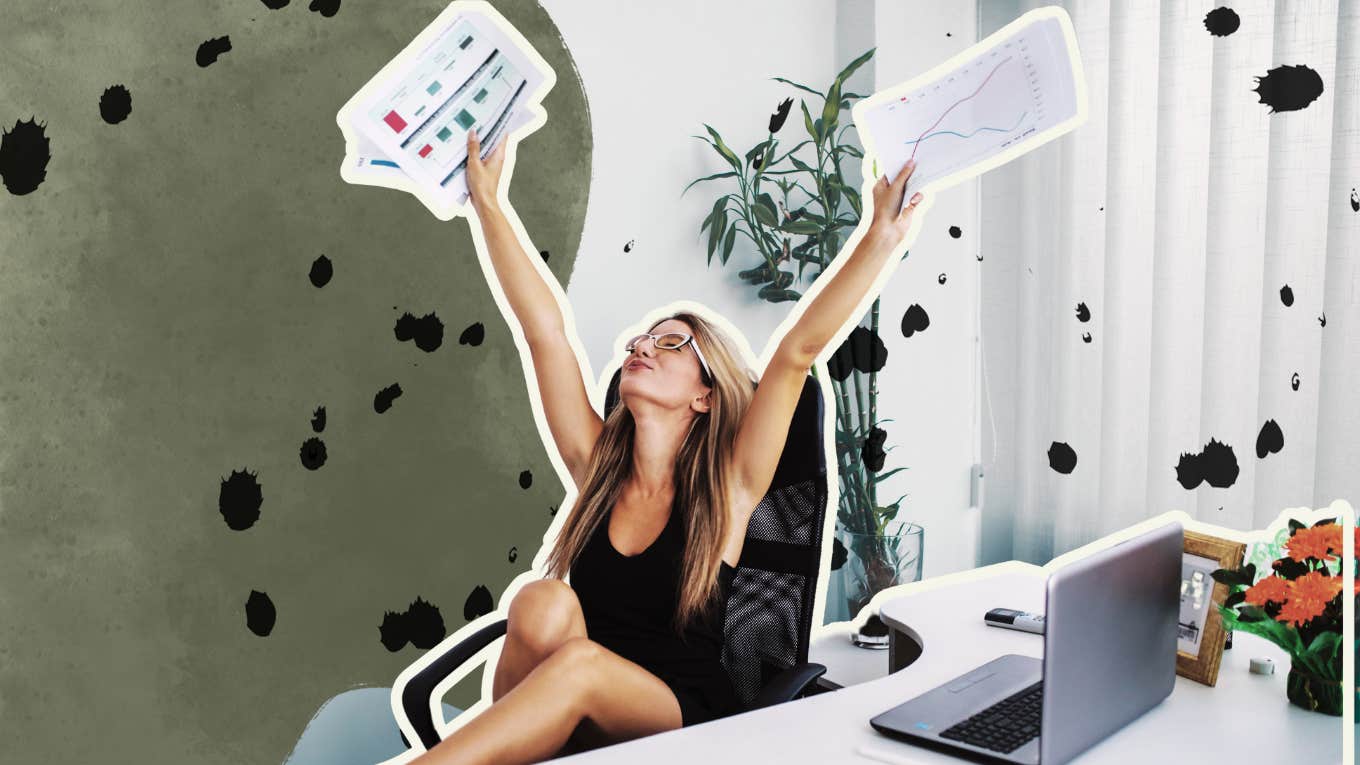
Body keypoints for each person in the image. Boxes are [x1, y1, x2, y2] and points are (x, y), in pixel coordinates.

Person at [410, 127, 925, 765]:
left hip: (683, 718)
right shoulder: (598, 470)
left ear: (705, 396)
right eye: (640, 342)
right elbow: (543, 329)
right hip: (582, 698)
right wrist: (488, 204)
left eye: (671, 343)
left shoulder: (733, 485)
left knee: (580, 666)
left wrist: (881, 238)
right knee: (543, 600)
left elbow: (796, 353)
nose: (643, 347)